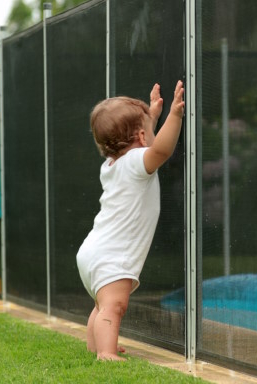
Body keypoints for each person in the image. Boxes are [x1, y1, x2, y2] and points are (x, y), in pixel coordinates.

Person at [76, 81, 184, 361]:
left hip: (93, 251)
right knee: (114, 306)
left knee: (102, 306)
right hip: (112, 255)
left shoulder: (112, 166)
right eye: (148, 128)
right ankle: (106, 352)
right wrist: (174, 116)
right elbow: (160, 150)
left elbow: (146, 142)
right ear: (140, 137)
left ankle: (96, 344)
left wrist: (151, 118)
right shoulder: (137, 162)